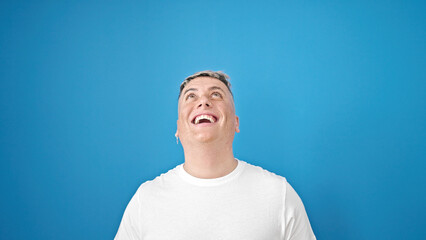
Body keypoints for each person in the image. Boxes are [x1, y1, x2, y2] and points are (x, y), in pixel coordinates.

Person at [115, 71, 316, 240]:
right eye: (191, 96)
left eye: (216, 94)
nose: (203, 101)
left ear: (236, 123)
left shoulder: (278, 194)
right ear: (178, 128)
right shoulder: (146, 199)